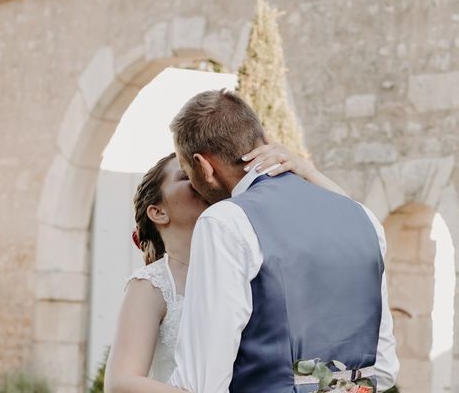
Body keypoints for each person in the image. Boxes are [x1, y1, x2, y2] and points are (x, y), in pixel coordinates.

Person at [167, 90, 399, 393]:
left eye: (187, 171)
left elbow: (202, 382)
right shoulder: (363, 219)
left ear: (204, 166)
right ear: (262, 137)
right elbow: (383, 369)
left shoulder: (226, 222)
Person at [104, 138, 347, 393]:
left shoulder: (250, 264)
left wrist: (305, 170)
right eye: (186, 176)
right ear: (159, 212)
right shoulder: (152, 285)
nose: (201, 178)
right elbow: (121, 383)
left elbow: (351, 222)